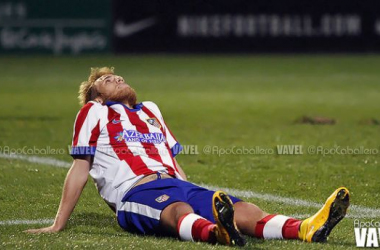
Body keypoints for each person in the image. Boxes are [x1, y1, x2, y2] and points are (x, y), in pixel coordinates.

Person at [26, 67, 350, 246]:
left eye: (118, 75)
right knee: (176, 209)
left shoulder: (150, 110)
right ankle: (215, 233)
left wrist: (193, 189)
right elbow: (80, 167)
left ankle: (305, 227)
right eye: (107, 81)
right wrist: (58, 224)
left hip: (177, 183)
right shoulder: (92, 113)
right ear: (96, 96)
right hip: (134, 193)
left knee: (243, 208)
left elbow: (171, 157)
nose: (117, 79)